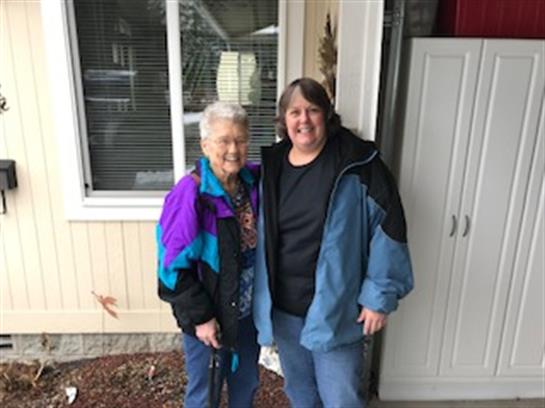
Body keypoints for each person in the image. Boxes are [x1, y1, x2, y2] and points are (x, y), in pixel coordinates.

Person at [253, 78, 414, 407]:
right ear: (284, 119)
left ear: (327, 115)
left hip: (336, 309)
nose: (304, 120)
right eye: (295, 111)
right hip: (284, 309)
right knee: (300, 393)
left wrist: (379, 297)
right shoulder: (273, 167)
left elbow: (390, 229)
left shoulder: (358, 164)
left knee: (341, 398)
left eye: (312, 110)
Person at [156, 101, 260, 408]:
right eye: (223, 140)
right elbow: (171, 270)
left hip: (245, 315)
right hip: (210, 318)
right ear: (204, 145)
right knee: (205, 395)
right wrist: (202, 318)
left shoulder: (252, 183)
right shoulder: (190, 194)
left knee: (246, 386)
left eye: (240, 140)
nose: (233, 149)